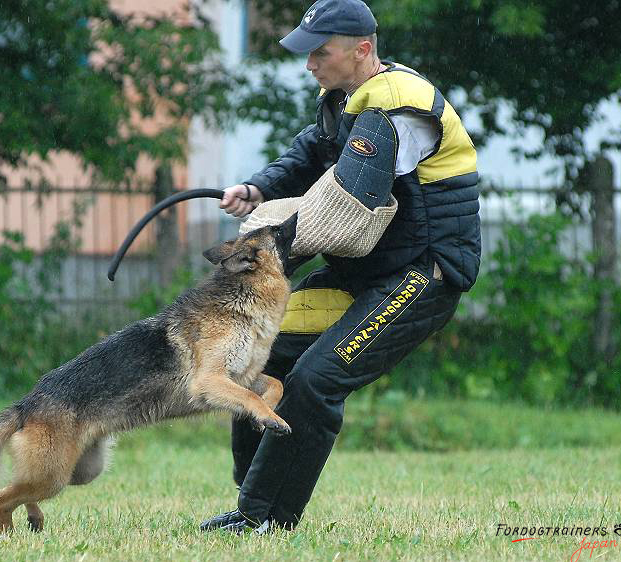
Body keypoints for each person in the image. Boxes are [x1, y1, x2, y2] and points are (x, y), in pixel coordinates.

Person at [201, 0, 481, 533]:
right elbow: (312, 152)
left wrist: (266, 245)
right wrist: (260, 187)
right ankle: (249, 504)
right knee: (258, 361)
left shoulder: (396, 112)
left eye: (320, 53)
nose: (309, 64)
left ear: (362, 49)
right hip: (364, 276)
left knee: (315, 380)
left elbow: (344, 217)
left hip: (423, 274)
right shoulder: (345, 101)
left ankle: (268, 518)